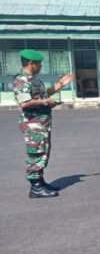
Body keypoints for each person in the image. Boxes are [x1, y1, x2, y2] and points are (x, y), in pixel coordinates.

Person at [13, 49, 74, 198]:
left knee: (43, 152)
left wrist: (59, 85)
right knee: (36, 153)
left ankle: (40, 181)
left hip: (42, 123)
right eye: (39, 64)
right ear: (31, 63)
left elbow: (44, 94)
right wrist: (46, 101)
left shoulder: (34, 79)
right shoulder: (22, 80)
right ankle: (36, 188)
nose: (41, 67)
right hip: (33, 125)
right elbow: (25, 103)